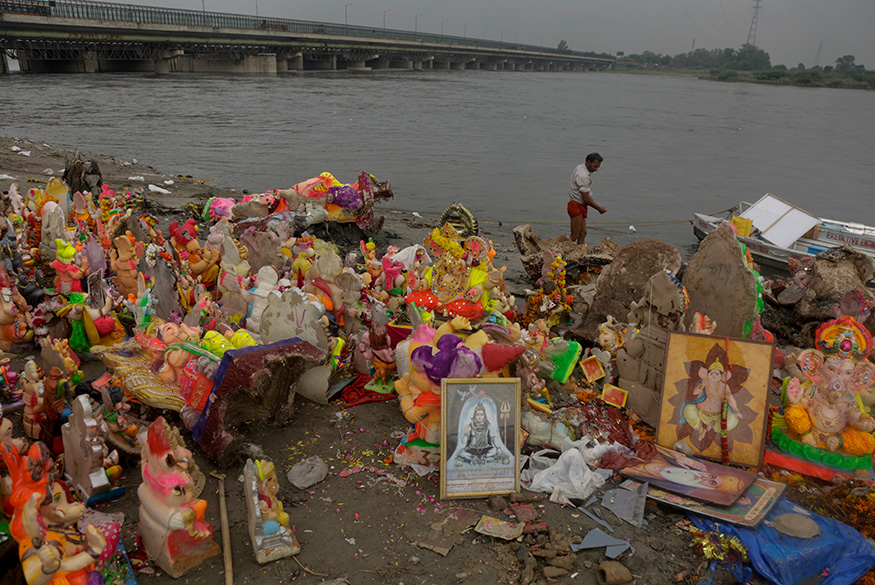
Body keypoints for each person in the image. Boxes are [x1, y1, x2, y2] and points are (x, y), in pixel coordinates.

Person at [568, 152, 607, 245]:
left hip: (581, 205)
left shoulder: (580, 167)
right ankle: (559, 254)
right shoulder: (583, 175)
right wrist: (599, 209)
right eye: (595, 166)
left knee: (583, 233)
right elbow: (586, 198)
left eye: (598, 167)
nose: (596, 169)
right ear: (588, 162)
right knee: (575, 235)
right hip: (576, 205)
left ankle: (580, 253)